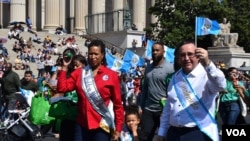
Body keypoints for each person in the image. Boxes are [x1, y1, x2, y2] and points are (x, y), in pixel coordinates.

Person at [157, 41, 226, 141]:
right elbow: (169, 106)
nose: (186, 58)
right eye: (182, 55)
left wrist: (208, 63)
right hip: (174, 133)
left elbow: (221, 85)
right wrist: (162, 132)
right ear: (178, 58)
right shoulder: (175, 78)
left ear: (198, 56)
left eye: (190, 54)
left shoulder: (207, 75)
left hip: (198, 133)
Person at [57, 40, 124, 141]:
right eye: (90, 54)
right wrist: (65, 67)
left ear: (102, 55)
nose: (93, 57)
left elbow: (118, 105)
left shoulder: (111, 75)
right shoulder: (79, 73)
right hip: (82, 124)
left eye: (96, 54)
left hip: (102, 126)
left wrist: (118, 129)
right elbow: (62, 88)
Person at [139, 42, 174, 141]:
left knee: (165, 137)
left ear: (163, 52)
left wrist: (168, 107)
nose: (154, 52)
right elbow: (145, 88)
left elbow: (173, 90)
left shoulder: (170, 68)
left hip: (163, 111)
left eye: (157, 50)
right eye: (153, 50)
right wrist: (141, 106)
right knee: (145, 137)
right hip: (148, 110)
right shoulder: (148, 68)